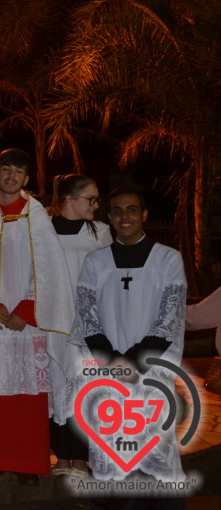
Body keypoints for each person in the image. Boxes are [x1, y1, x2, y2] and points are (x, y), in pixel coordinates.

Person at [0, 149, 73, 486]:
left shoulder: (37, 216)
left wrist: (26, 310)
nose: (11, 176)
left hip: (28, 320)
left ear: (27, 179)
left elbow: (51, 271)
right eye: (5, 169)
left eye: (19, 171)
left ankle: (28, 462)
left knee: (28, 393)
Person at [74, 186, 187, 484]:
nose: (125, 217)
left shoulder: (168, 259)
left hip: (150, 368)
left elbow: (170, 318)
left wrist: (133, 363)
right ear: (109, 217)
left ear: (145, 215)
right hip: (109, 369)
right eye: (118, 211)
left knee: (153, 443)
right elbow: (87, 317)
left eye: (132, 209)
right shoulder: (95, 262)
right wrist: (114, 362)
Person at [48, 174, 113, 477]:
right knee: (57, 386)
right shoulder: (44, 229)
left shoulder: (99, 231)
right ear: (69, 200)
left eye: (97, 199)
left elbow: (111, 277)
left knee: (84, 388)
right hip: (53, 320)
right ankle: (61, 457)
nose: (96, 205)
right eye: (91, 199)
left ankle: (81, 458)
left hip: (89, 322)